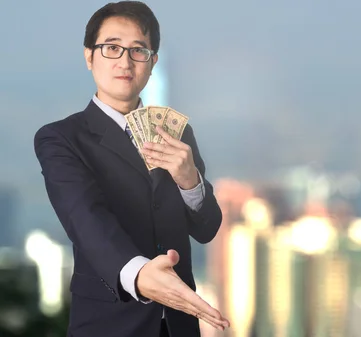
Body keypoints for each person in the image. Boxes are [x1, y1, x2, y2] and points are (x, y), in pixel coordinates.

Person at [33, 1, 230, 336]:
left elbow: (207, 228)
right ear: (89, 56)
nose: (125, 61)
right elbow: (86, 221)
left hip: (179, 326)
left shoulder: (177, 132)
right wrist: (139, 274)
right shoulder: (61, 138)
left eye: (138, 50)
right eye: (112, 48)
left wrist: (189, 182)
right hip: (108, 324)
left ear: (152, 62)